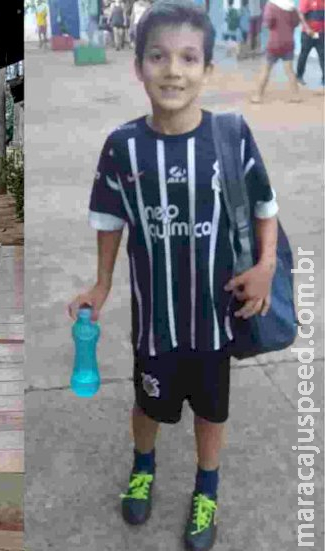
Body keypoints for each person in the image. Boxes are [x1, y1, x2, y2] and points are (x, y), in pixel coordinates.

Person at [68, 2, 280, 550]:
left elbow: (265, 207)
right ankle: (143, 466)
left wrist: (265, 266)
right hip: (154, 323)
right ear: (138, 66)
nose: (173, 71)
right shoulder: (123, 147)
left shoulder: (231, 137)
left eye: (189, 58)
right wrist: (101, 283)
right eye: (158, 57)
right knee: (149, 403)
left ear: (207, 69)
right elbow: (109, 219)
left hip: (216, 320)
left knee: (212, 410)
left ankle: (207, 488)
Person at [251, 0, 303, 102]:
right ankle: (296, 96)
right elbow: (296, 23)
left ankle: (258, 96)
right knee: (290, 71)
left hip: (274, 43)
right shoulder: (292, 7)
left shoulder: (271, 5)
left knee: (266, 70)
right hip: (288, 42)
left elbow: (267, 23)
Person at [296, 0, 325, 84]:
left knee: (323, 56)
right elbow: (301, 15)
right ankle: (299, 76)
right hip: (309, 34)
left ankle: (324, 79)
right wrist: (307, 28)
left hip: (320, 33)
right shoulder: (306, 1)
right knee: (304, 55)